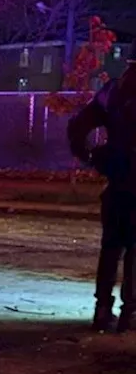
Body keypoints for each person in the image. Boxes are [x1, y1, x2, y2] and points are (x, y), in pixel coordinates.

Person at [68, 63, 136, 332]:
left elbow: (78, 126)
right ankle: (130, 312)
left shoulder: (114, 92)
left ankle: (102, 310)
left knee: (111, 247)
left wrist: (92, 156)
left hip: (118, 180)